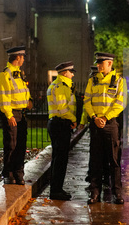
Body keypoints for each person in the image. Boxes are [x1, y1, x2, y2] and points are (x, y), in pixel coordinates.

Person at [84, 52, 124, 205]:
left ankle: (117, 192)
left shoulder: (119, 81)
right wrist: (94, 117)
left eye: (101, 62)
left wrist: (105, 118)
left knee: (113, 160)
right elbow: (87, 101)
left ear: (109, 63)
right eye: (98, 62)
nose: (98, 65)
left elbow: (119, 103)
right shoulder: (92, 81)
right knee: (95, 159)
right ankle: (95, 193)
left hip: (110, 124)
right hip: (96, 124)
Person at [0, 46, 32, 185]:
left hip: (21, 114)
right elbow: (4, 98)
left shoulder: (19, 74)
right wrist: (9, 115)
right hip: (12, 113)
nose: (23, 59)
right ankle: (8, 174)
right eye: (22, 57)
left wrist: (29, 100)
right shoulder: (5, 75)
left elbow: (24, 91)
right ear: (17, 58)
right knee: (11, 145)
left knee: (21, 145)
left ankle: (18, 173)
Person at [47, 61, 77, 200]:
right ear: (65, 73)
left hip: (58, 124)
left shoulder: (60, 85)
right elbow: (62, 108)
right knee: (60, 159)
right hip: (60, 124)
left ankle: (57, 188)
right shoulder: (60, 86)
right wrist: (73, 119)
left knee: (59, 158)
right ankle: (56, 190)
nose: (72, 75)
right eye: (71, 72)